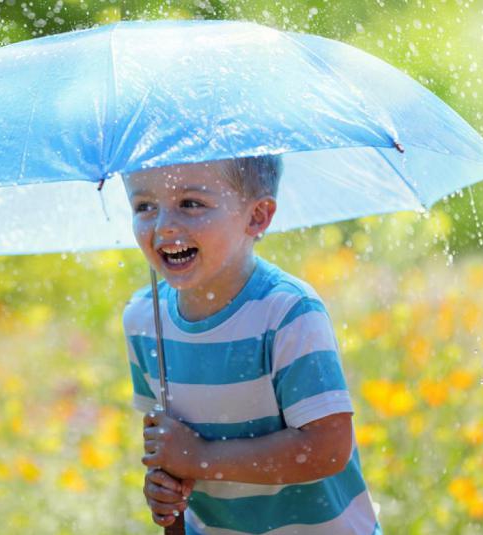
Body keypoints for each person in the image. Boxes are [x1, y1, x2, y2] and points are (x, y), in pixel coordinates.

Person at [121, 155, 382, 534]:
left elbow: (327, 448)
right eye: (144, 206)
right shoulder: (145, 319)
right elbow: (167, 446)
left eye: (190, 203)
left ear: (257, 217)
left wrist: (201, 457)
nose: (163, 226)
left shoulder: (287, 312)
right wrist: (166, 488)